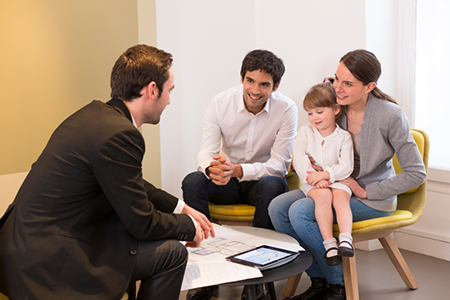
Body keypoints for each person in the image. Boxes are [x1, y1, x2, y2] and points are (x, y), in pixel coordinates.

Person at [0, 44, 214, 300]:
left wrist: (180, 208)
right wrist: (188, 227)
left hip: (19, 250)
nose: (169, 100)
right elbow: (142, 224)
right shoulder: (122, 135)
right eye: (170, 91)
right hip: (48, 266)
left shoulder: (93, 115)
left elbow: (126, 181)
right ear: (152, 90)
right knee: (172, 253)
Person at [268, 49, 426, 300]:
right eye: (336, 79)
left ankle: (336, 286)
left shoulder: (390, 116)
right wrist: (314, 164)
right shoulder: (334, 107)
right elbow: (316, 143)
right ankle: (318, 279)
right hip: (331, 184)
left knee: (300, 212)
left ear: (369, 87)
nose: (337, 88)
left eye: (348, 84)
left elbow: (417, 174)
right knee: (277, 207)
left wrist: (367, 190)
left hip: (369, 197)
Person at [182, 49, 298, 300]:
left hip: (262, 184)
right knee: (193, 181)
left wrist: (239, 170)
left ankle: (257, 277)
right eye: (250, 81)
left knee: (272, 184)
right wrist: (214, 168)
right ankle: (206, 273)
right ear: (242, 78)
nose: (255, 90)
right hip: (229, 183)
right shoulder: (219, 103)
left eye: (264, 84)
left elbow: (279, 165)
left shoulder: (287, 109)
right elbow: (205, 153)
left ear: (275, 86)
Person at [294, 79, 354, 268]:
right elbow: (299, 157)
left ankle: (345, 239)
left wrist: (326, 175)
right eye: (310, 113)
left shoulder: (344, 137)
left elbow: (347, 166)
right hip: (312, 181)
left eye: (319, 112)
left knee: (340, 197)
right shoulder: (305, 131)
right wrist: (314, 178)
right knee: (322, 196)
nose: (314, 117)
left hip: (336, 179)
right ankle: (330, 245)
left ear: (336, 109)